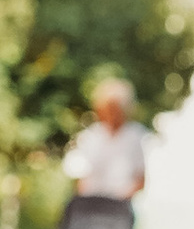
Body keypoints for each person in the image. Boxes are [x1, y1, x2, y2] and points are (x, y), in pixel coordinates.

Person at [62, 75, 148, 204]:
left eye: (115, 109)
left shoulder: (136, 136)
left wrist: (121, 197)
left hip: (120, 206)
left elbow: (141, 180)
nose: (111, 114)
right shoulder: (91, 136)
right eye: (108, 109)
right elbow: (81, 177)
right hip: (91, 203)